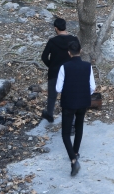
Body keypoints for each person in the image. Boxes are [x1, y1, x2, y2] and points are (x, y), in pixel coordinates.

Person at [55, 40, 95, 177]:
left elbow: (58, 88)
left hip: (68, 102)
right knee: (79, 126)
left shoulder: (64, 67)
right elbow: (92, 87)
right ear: (81, 50)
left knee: (65, 133)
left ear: (68, 52)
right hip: (83, 101)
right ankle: (76, 152)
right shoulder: (88, 66)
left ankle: (73, 159)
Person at [40, 18, 79, 123]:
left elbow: (44, 57)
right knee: (70, 97)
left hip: (55, 72)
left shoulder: (52, 41)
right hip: (70, 73)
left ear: (55, 28)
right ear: (65, 26)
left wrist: (51, 66)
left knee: (52, 96)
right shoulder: (74, 39)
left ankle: (50, 115)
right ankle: (72, 123)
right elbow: (77, 54)